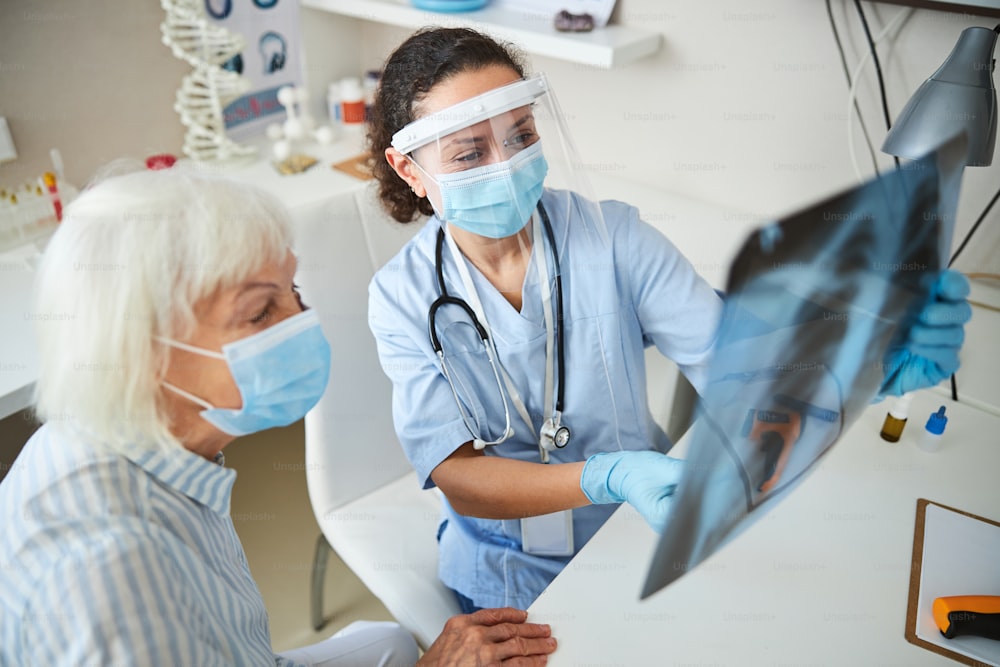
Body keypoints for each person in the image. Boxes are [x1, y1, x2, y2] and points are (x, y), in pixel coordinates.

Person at [366, 27, 972, 612]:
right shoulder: (400, 298)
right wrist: (606, 475)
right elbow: (458, 474)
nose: (504, 165)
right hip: (505, 563)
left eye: (521, 136)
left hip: (640, 519)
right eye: (470, 152)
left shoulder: (613, 239)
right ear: (409, 169)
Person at [0, 165, 557, 666]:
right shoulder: (112, 582)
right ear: (146, 354)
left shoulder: (121, 439)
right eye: (261, 311)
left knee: (388, 642)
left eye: (292, 291)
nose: (303, 322)